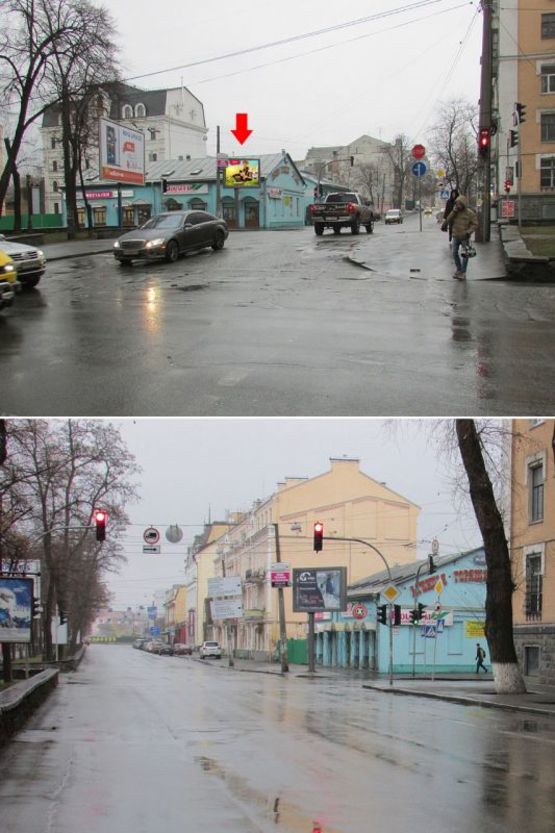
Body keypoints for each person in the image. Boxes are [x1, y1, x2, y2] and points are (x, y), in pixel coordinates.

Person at [441, 195, 478, 280]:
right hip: (456, 235)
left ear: (463, 204)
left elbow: (475, 224)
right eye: (456, 204)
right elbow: (448, 219)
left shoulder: (469, 213)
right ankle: (459, 269)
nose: (457, 206)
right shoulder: (455, 212)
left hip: (464, 236)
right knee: (454, 253)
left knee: (465, 255)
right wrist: (453, 212)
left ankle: (463, 272)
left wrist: (468, 232)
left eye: (459, 204)